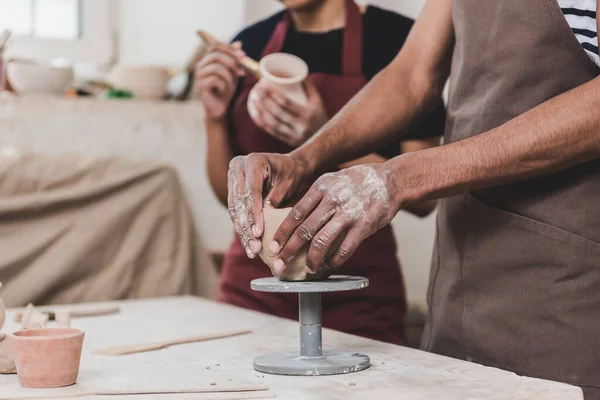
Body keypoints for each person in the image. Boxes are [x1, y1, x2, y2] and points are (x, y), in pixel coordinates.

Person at [228, 0, 600, 398]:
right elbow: (411, 76)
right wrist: (306, 157)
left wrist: (400, 176)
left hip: (561, 288)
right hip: (461, 279)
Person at [195, 0, 446, 345]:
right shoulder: (250, 45)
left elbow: (424, 200)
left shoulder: (397, 41)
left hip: (356, 292)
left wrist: (317, 142)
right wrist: (214, 117)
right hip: (252, 290)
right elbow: (231, 196)